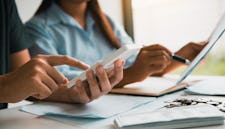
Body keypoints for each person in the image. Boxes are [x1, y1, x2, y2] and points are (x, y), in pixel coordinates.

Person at [26, 0, 207, 88]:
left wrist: (184, 54)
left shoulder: (107, 23)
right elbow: (57, 84)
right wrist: (132, 74)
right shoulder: (37, 29)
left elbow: (139, 66)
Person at [0, 0, 124, 109]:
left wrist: (72, 93)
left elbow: (26, 80)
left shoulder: (7, 4)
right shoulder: (38, 27)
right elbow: (23, 83)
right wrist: (4, 86)